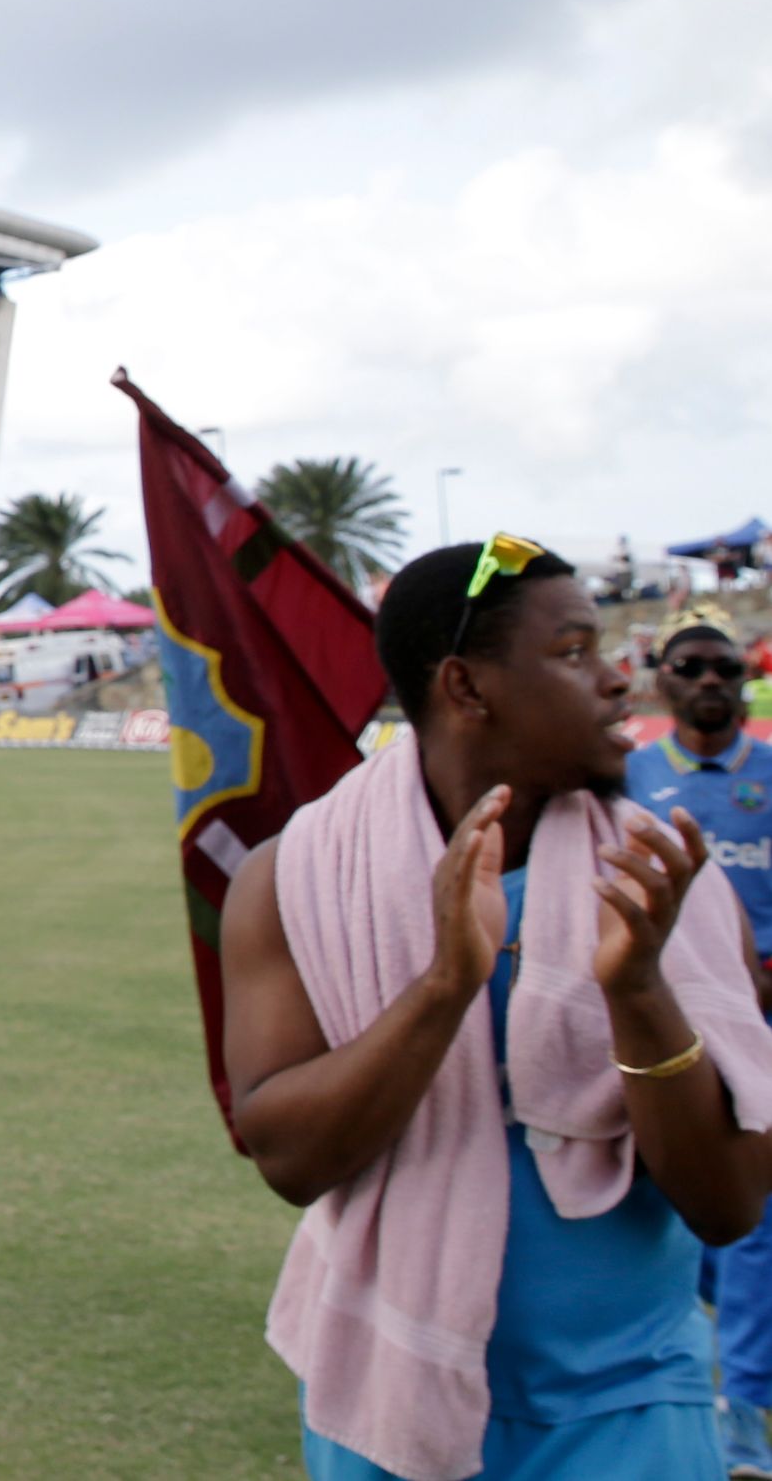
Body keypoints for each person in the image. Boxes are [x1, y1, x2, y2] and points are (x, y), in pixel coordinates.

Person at [226, 540, 772, 1480]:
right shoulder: (297, 875)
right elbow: (287, 1156)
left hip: (627, 1411)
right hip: (380, 1401)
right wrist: (443, 988)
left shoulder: (658, 882)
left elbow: (726, 1203)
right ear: (465, 688)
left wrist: (637, 990)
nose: (615, 681)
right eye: (571, 652)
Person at [624, 620, 772, 1475]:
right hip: (661, 1024)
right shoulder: (630, 777)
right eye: (691, 665)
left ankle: (741, 1409)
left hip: (758, 1026)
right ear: (662, 681)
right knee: (693, 1217)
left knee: (752, 1222)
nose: (710, 678)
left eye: (727, 666)